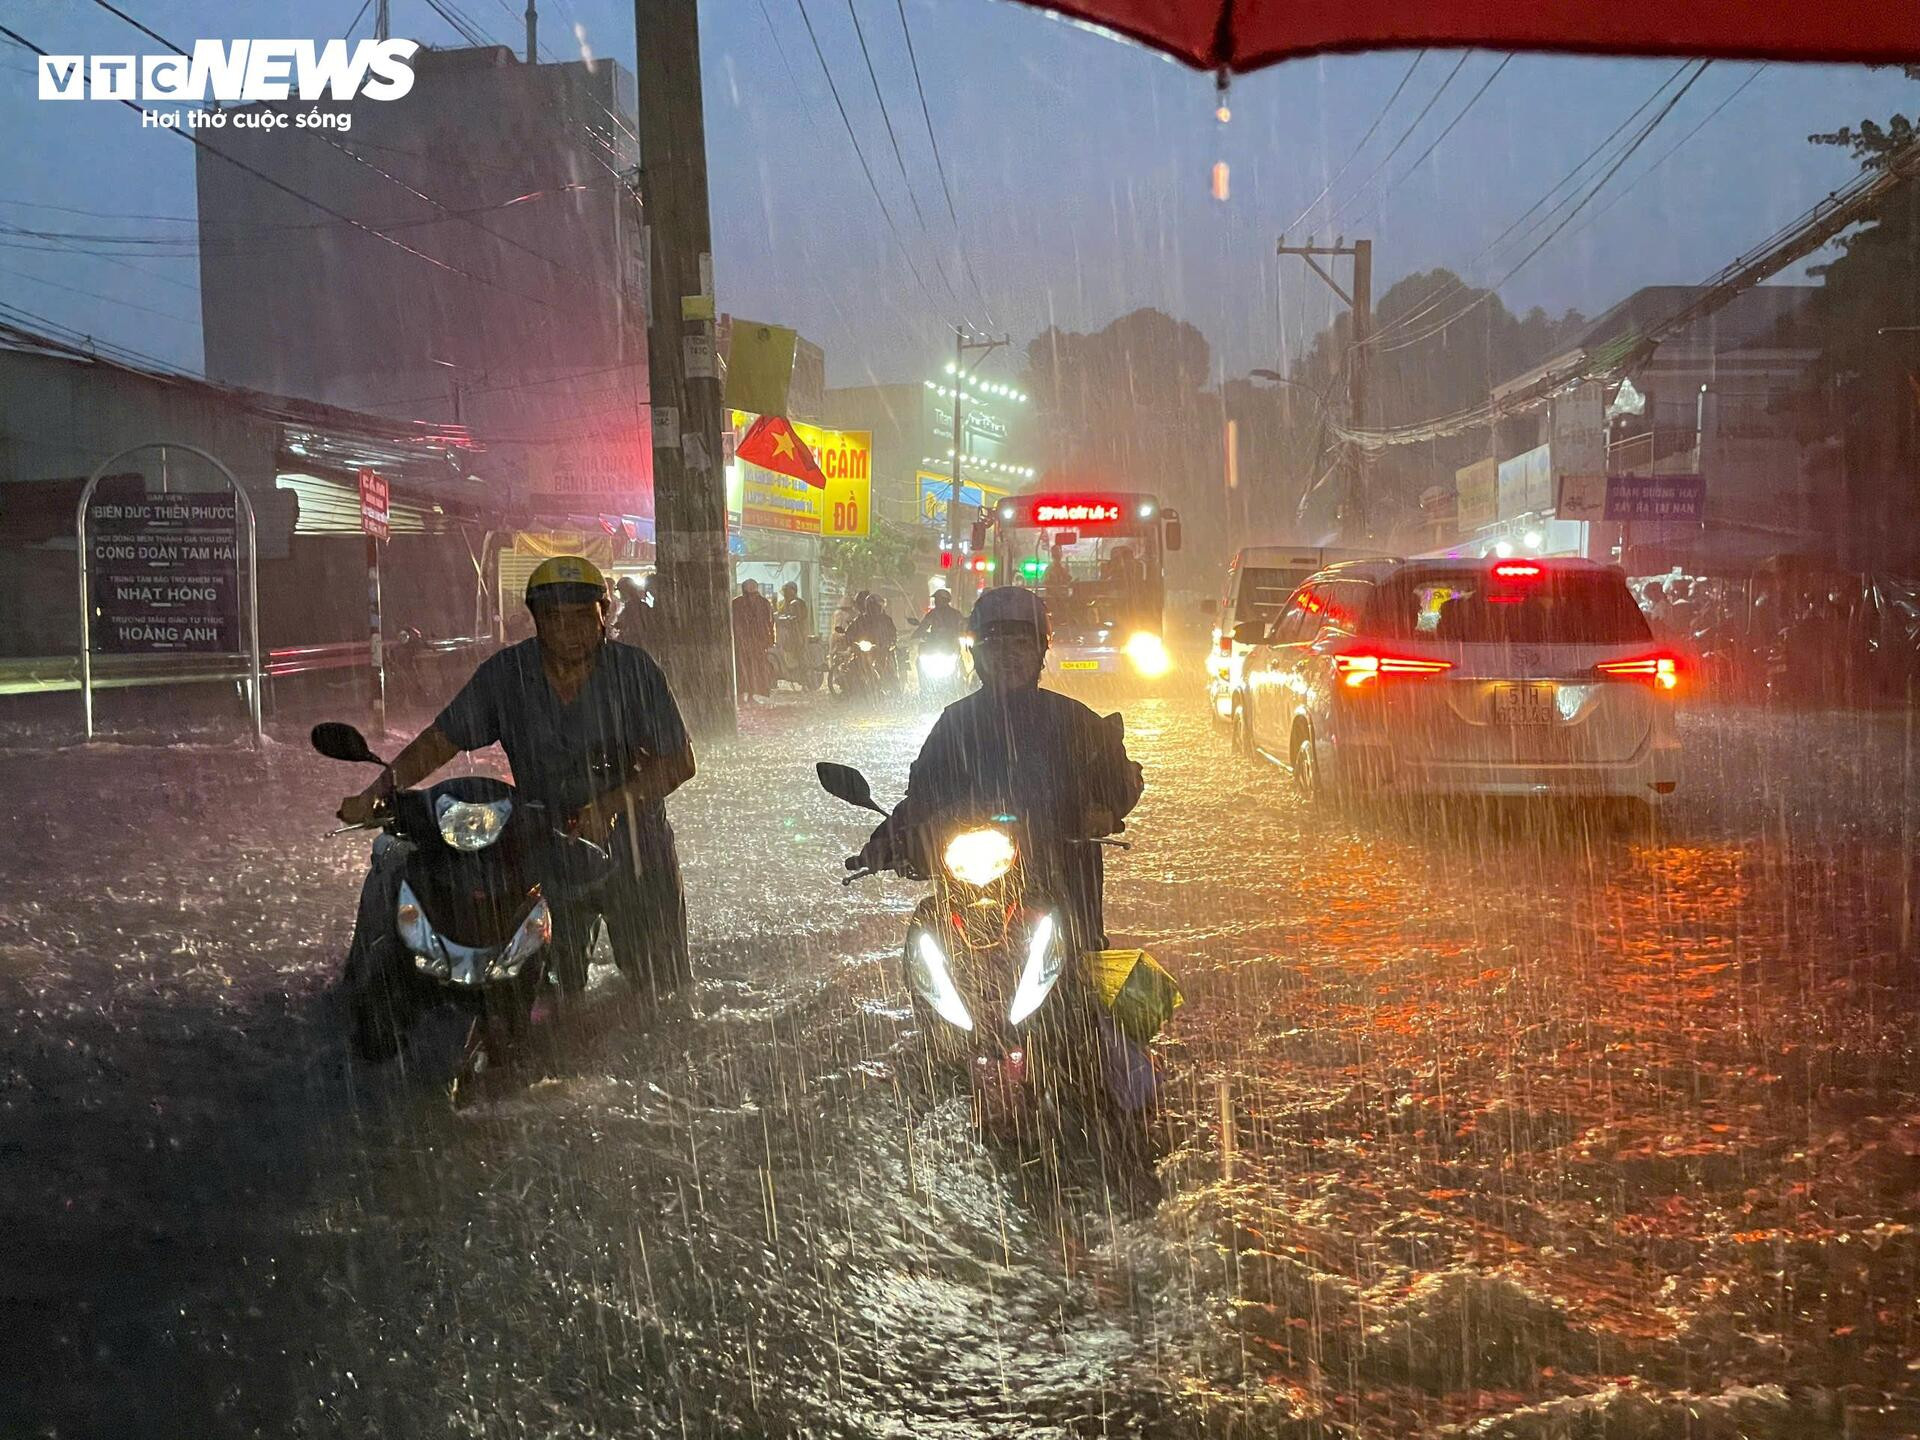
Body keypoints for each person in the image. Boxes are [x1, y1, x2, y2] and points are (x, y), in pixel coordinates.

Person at [337, 555, 695, 1004]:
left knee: (662, 990)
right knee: (547, 987)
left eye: (582, 616)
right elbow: (440, 740)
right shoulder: (508, 674)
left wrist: (610, 805)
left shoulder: (635, 671)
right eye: (554, 618)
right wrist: (377, 793)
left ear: (605, 614)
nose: (569, 630)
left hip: (636, 847)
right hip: (545, 844)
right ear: (536, 620)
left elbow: (679, 762)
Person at [856, 585, 1142, 949]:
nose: (1007, 656)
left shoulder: (1074, 719)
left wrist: (1103, 811)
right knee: (932, 934)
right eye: (994, 645)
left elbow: (1120, 779)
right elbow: (924, 795)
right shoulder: (955, 723)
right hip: (969, 880)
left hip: (1060, 869)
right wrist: (887, 840)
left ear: (1040, 652)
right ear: (977, 654)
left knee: (1080, 950)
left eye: (1020, 645)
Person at [731, 578, 776, 703]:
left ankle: (750, 695)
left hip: (755, 642)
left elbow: (769, 623)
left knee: (753, 670)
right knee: (744, 670)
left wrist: (769, 639)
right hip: (743, 642)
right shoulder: (737, 603)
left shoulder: (762, 603)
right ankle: (742, 696)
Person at [774, 581, 813, 689]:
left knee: (800, 655)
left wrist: (790, 618)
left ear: (794, 591)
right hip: (785, 633)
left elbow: (799, 617)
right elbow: (779, 614)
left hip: (798, 633)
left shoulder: (799, 603)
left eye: (788, 590)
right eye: (785, 590)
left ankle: (805, 680)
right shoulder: (782, 603)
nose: (786, 593)